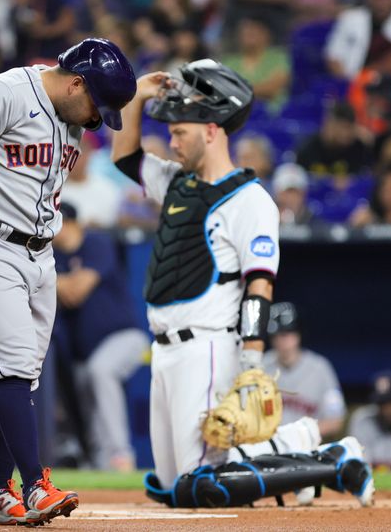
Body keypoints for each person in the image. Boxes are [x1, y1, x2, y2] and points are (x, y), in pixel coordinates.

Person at [111, 60, 372, 509]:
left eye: (181, 131)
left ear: (212, 130)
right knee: (173, 487)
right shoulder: (178, 182)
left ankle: (334, 465)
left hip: (209, 348)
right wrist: (135, 96)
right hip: (165, 350)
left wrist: (251, 361)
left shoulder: (251, 200)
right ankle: (310, 445)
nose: (171, 141)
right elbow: (125, 157)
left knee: (203, 486)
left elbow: (260, 285)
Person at [0, 38, 136, 526]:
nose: (94, 120)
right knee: (16, 369)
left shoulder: (72, 114)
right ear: (76, 82)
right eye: (95, 107)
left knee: (21, 376)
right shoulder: (6, 92)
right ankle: (35, 484)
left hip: (42, 255)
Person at [52, 203, 148, 471]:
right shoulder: (51, 254)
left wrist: (48, 279)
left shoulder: (95, 243)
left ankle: (121, 455)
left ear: (69, 223)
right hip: (84, 351)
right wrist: (59, 280)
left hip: (124, 337)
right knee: (87, 396)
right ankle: (100, 463)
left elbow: (76, 292)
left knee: (101, 371)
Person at [263, 302, 345, 440]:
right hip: (267, 447)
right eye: (276, 335)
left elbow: (336, 421)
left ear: (298, 334)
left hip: (307, 450)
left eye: (287, 333)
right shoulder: (260, 366)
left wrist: (299, 436)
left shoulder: (320, 368)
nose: (282, 340)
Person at [325, 0, 391, 81]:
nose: (381, 1)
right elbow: (333, 57)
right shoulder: (350, 19)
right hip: (355, 83)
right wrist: (347, 85)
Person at [221, 16, 291, 112]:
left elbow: (271, 89)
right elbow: (222, 89)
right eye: (245, 31)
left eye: (254, 30)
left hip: (271, 112)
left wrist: (236, 90)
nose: (249, 33)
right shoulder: (230, 61)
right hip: (236, 113)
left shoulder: (278, 57)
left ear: (266, 34)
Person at [296, 102, 371, 188]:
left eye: (350, 128)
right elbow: (298, 178)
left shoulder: (358, 148)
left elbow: (362, 180)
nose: (347, 133)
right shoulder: (307, 147)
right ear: (330, 125)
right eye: (343, 127)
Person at [60, 134, 122, 229]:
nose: (76, 157)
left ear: (91, 153)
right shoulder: (52, 190)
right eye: (70, 150)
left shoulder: (108, 188)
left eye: (82, 150)